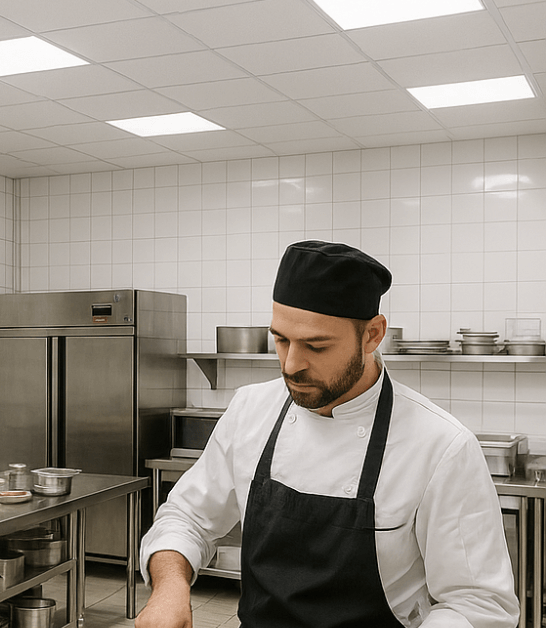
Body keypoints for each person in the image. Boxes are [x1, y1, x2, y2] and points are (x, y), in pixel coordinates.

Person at [138, 240, 520, 628]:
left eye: (316, 346)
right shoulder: (250, 409)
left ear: (372, 335)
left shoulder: (441, 446)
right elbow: (187, 516)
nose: (291, 365)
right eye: (281, 340)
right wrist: (169, 588)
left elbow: (478, 605)